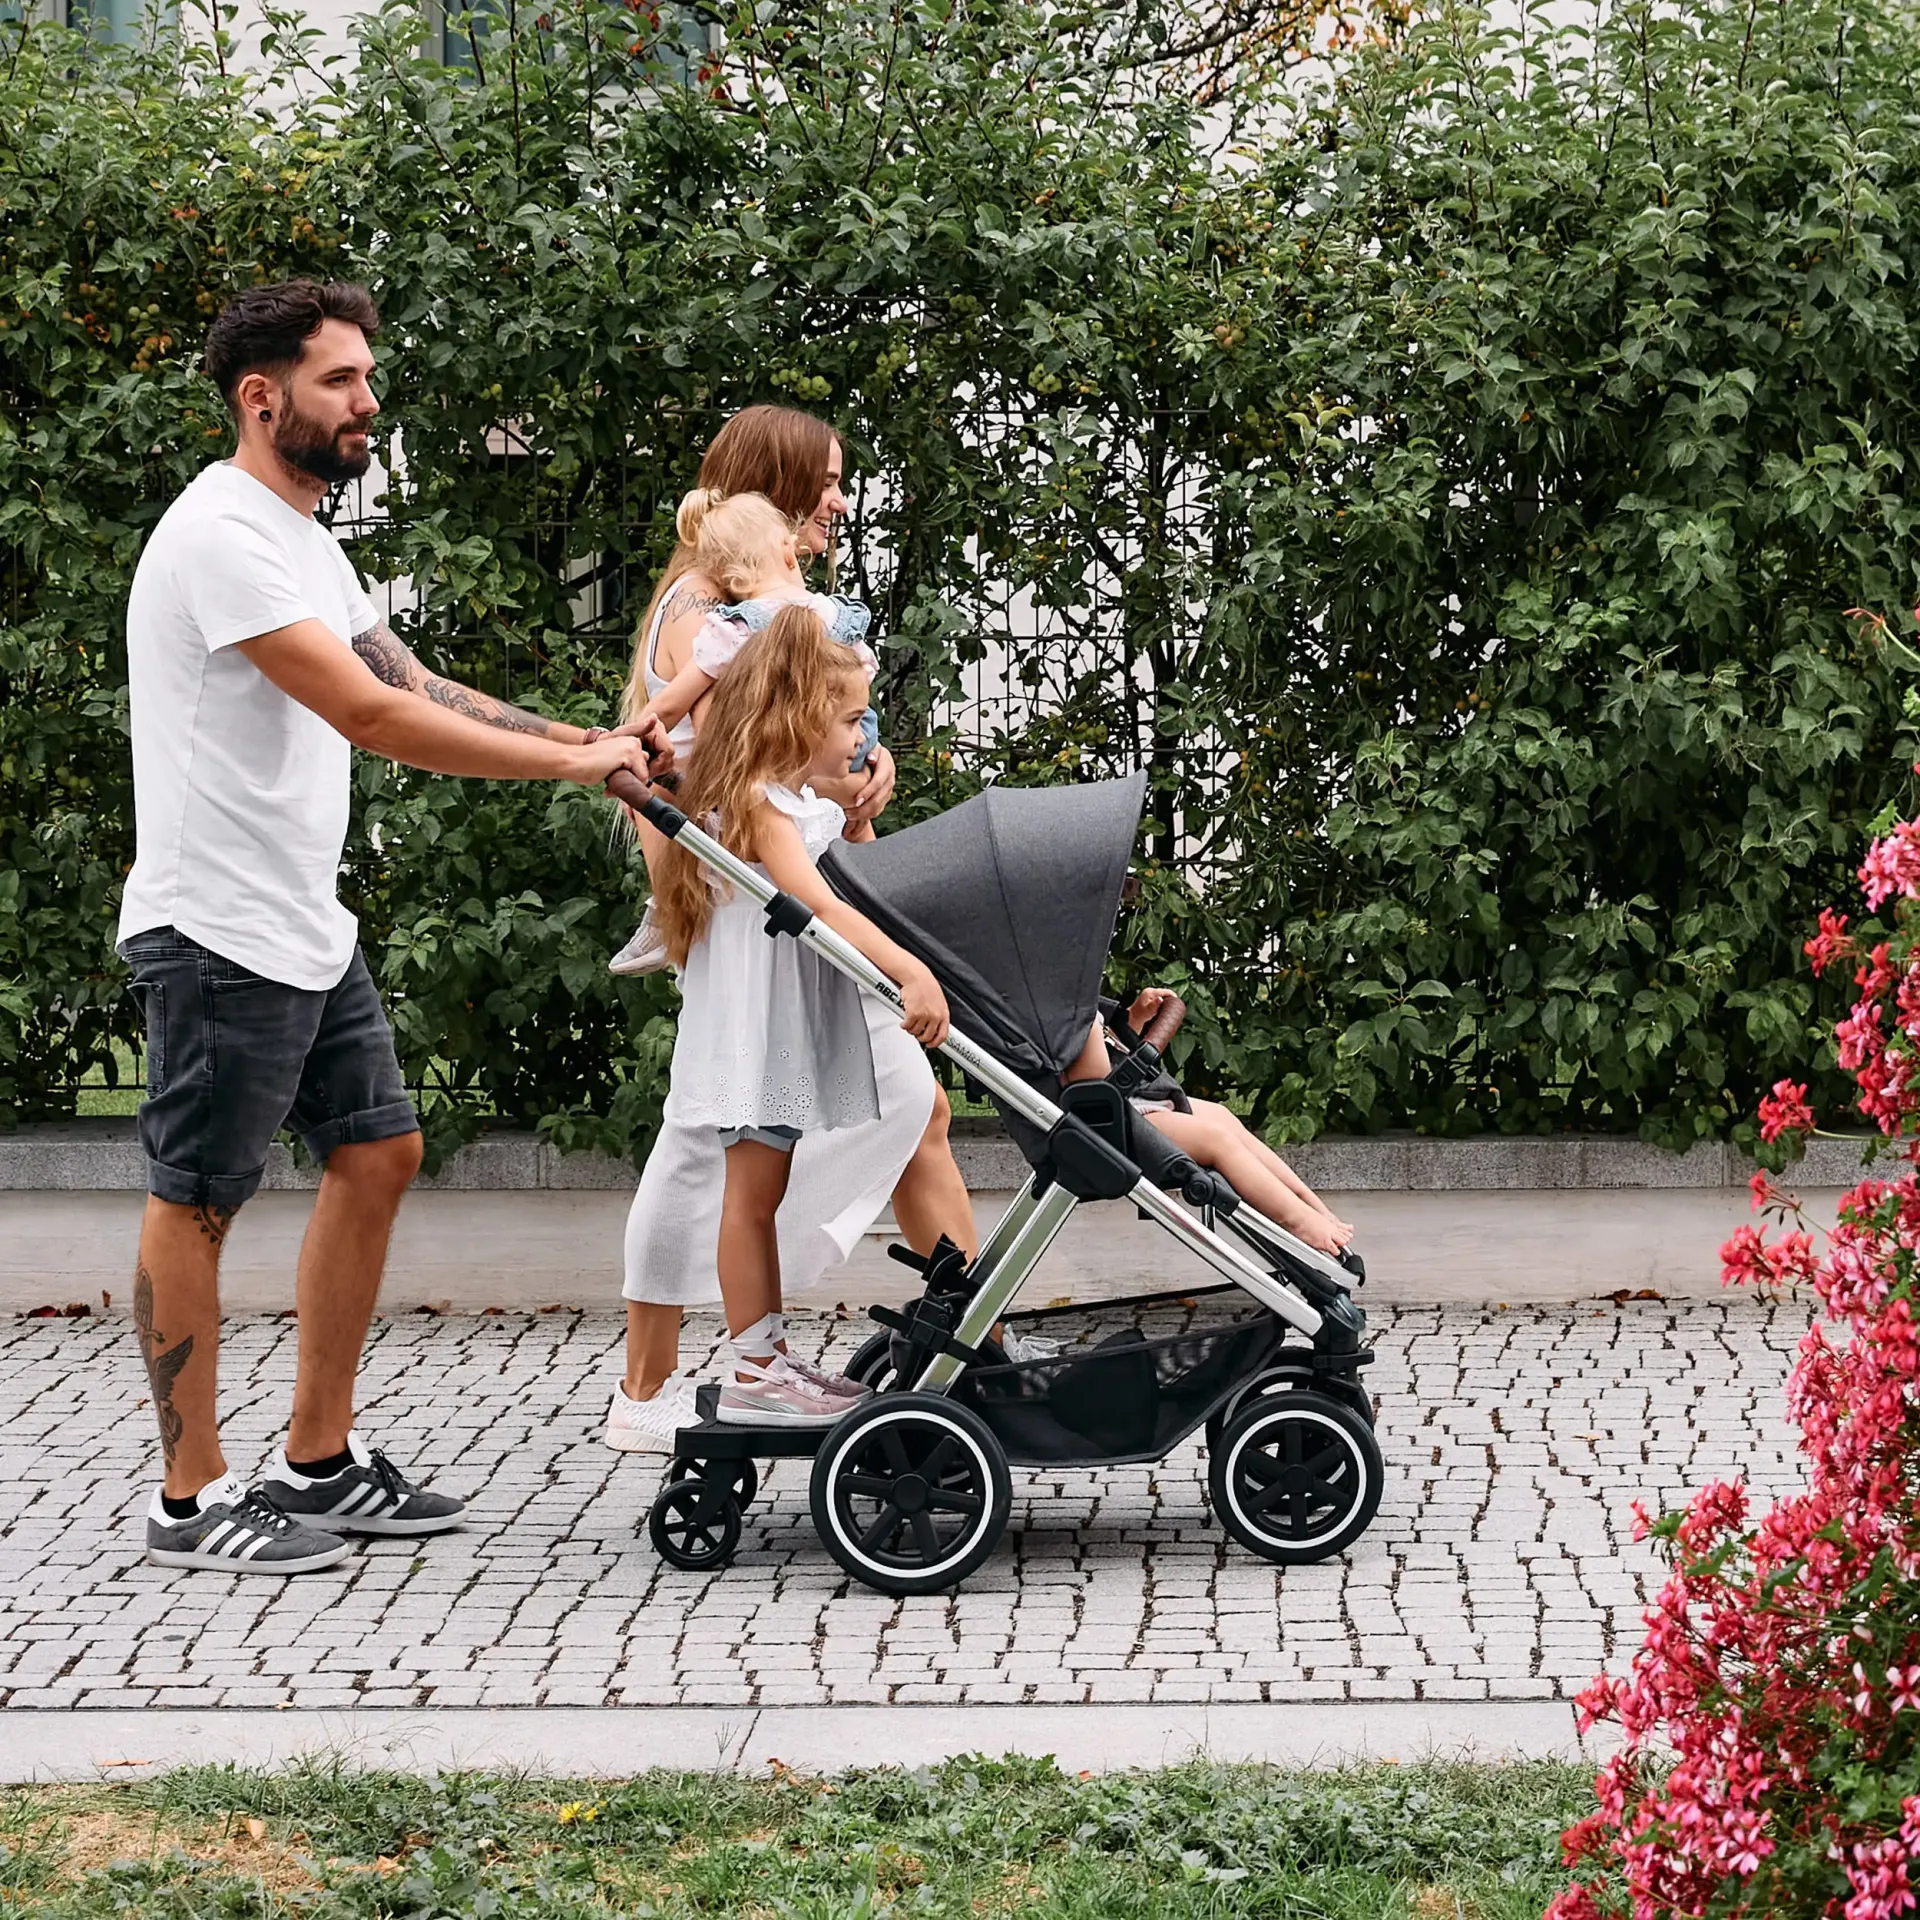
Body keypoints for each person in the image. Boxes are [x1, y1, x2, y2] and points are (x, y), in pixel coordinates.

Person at [119, 279, 669, 1575]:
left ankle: (319, 1461)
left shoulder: (307, 538)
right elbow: (370, 721)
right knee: (196, 1201)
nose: (369, 401)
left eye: (367, 376)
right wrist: (573, 772)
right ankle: (189, 1498)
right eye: (341, 380)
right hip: (216, 930)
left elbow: (408, 679)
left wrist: (589, 739)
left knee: (381, 1152)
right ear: (263, 399)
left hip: (301, 919)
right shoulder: (220, 538)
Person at [606, 405, 978, 1453]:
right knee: (726, 1145)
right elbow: (721, 758)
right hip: (759, 914)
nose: (839, 502)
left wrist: (861, 771)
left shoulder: (764, 603)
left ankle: (949, 1342)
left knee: (898, 1113)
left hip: (779, 900)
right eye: (824, 481)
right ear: (769, 491)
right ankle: (675, 1381)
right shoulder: (710, 607)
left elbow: (804, 729)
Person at [648, 610, 951, 1423]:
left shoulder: (779, 796)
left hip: (771, 1023)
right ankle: (755, 1372)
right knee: (750, 1198)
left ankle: (770, 1357)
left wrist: (852, 806)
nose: (862, 736)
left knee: (763, 1193)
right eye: (851, 719)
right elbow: (814, 903)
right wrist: (909, 968)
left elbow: (847, 869)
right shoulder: (758, 804)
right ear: (797, 715)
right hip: (756, 1033)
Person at [1064, 988, 1357, 1255]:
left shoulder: (1072, 1002)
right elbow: (1090, 1083)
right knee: (1215, 1139)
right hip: (1107, 1124)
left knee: (1221, 1116)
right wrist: (1088, 1023)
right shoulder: (1061, 1015)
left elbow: (1113, 1054)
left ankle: (1305, 1200)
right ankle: (1296, 1219)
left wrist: (1135, 1019)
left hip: (1129, 1103)